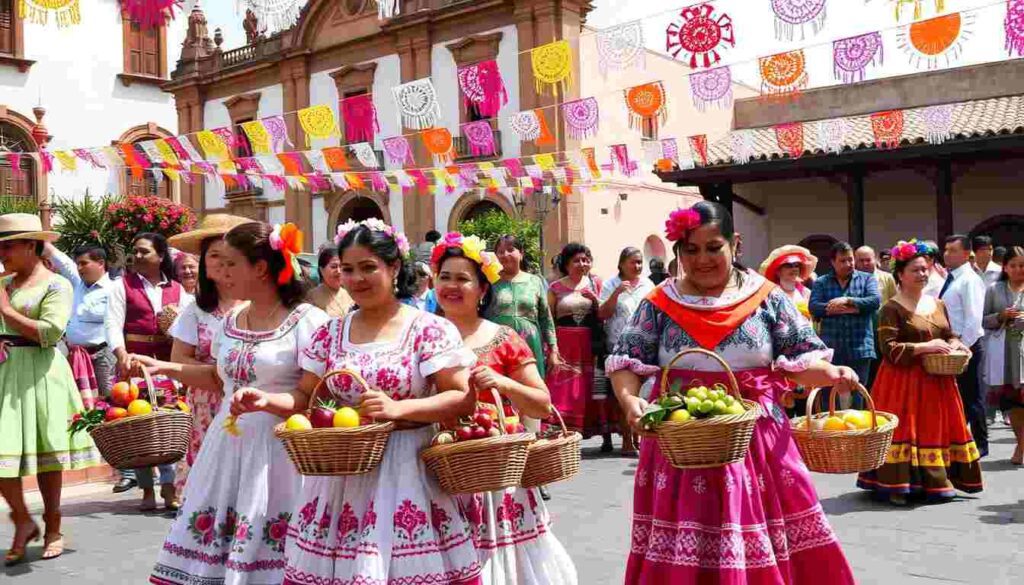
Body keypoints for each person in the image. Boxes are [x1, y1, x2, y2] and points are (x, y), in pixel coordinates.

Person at [608, 202, 857, 584]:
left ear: (735, 244)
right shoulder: (659, 303)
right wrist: (630, 401)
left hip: (756, 442)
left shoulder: (768, 297)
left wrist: (832, 372)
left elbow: (802, 358)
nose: (702, 259)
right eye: (690, 250)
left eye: (713, 247)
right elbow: (626, 362)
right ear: (678, 252)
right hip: (682, 442)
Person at [257, 220, 482, 585]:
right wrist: (264, 399)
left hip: (408, 469)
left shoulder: (429, 329)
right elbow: (305, 397)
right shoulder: (329, 333)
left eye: (368, 268)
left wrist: (399, 409)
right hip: (341, 476)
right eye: (348, 269)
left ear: (394, 268)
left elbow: (461, 398)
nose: (357, 279)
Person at [136, 221, 327, 585]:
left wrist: (266, 401)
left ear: (259, 268)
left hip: (279, 452)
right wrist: (163, 366)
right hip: (225, 445)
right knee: (215, 544)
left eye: (231, 263)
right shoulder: (232, 321)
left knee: (272, 545)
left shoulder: (308, 322)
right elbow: (216, 379)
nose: (222, 273)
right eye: (219, 263)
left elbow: (313, 397)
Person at [432, 233, 577, 585]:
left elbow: (542, 404)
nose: (452, 285)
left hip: (494, 468)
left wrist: (503, 384)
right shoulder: (421, 335)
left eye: (463, 278)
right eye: (445, 277)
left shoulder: (502, 337)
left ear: (483, 290)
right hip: (436, 465)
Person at [0, 213, 100, 565]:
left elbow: (50, 332)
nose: (2, 252)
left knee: (47, 454)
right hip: (5, 372)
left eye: (8, 245)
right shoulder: (4, 282)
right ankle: (23, 519)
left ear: (31, 244)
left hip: (43, 372)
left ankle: (53, 525)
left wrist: (5, 310)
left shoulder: (58, 284)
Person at [857, 239, 982, 504]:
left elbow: (948, 333)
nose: (922, 274)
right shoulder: (891, 307)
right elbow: (888, 349)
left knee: (934, 427)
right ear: (900, 274)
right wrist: (925, 347)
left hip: (937, 381)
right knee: (906, 429)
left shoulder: (937, 304)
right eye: (915, 270)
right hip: (902, 382)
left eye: (925, 269)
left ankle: (938, 481)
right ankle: (897, 484)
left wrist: (957, 344)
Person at [106, 232, 193, 511]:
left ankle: (168, 485)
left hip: (167, 363)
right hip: (135, 365)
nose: (138, 257)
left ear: (160, 256)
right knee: (139, 424)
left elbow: (187, 329)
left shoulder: (178, 290)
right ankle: (146, 489)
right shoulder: (122, 286)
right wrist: (122, 355)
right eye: (136, 251)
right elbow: (113, 325)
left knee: (166, 423)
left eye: (144, 251)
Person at [165, 214, 251, 496]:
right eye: (215, 255)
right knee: (212, 490)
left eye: (231, 255)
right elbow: (179, 359)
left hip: (256, 406)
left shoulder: (261, 305)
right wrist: (219, 373)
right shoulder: (195, 311)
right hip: (209, 408)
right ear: (204, 262)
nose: (223, 263)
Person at [42, 242, 137, 494]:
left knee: (113, 408)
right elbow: (59, 259)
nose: (81, 268)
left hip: (104, 355)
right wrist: (34, 239)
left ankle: (128, 470)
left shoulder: (115, 288)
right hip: (74, 356)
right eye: (79, 264)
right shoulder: (76, 283)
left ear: (100, 263)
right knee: (80, 409)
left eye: (85, 263)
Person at [548, 243, 620, 451]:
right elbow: (550, 320)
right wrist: (551, 348)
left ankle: (605, 435)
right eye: (577, 260)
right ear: (567, 264)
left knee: (597, 387)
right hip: (566, 344)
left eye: (586, 260)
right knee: (565, 390)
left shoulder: (596, 283)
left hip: (592, 344)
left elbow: (605, 313)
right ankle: (565, 435)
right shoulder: (555, 288)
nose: (582, 264)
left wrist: (595, 300)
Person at [597, 247, 655, 456]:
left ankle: (640, 436)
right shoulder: (610, 284)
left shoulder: (648, 284)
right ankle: (627, 440)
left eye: (640, 262)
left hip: (643, 345)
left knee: (641, 391)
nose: (637, 266)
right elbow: (602, 313)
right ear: (621, 264)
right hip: (617, 345)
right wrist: (616, 293)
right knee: (623, 395)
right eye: (633, 262)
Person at [810, 242, 881, 409]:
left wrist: (847, 301)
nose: (848, 264)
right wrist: (853, 309)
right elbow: (813, 307)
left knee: (858, 390)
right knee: (829, 391)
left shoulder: (867, 279)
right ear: (833, 262)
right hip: (831, 347)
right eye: (843, 261)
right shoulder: (821, 282)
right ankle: (830, 432)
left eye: (850, 260)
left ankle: (858, 432)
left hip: (860, 347)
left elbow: (874, 301)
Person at [486, 234, 560, 378]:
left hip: (529, 342)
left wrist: (553, 351)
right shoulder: (489, 281)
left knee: (530, 386)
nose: (505, 255)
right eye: (500, 252)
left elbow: (546, 318)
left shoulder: (535, 281)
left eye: (510, 250)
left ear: (521, 253)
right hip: (497, 343)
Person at [942, 234, 989, 457]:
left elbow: (973, 320)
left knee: (972, 397)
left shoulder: (970, 280)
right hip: (953, 345)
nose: (946, 253)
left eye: (952, 249)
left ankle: (981, 444)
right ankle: (962, 441)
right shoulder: (952, 278)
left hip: (966, 346)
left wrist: (963, 347)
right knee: (959, 397)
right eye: (946, 249)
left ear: (965, 254)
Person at [983, 245, 1024, 464]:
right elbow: (984, 320)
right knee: (1013, 403)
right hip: (1005, 354)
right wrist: (1001, 316)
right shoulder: (994, 290)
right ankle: (1020, 442)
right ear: (1005, 267)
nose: (1018, 270)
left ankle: (1021, 446)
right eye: (1013, 265)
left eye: (1022, 266)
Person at [759, 245, 816, 316]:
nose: (794, 269)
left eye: (796, 265)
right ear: (777, 271)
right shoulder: (770, 295)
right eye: (788, 266)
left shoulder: (806, 293)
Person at [306, 244, 354, 317]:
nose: (338, 271)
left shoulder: (351, 294)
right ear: (322, 270)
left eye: (341, 267)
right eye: (333, 266)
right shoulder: (311, 297)